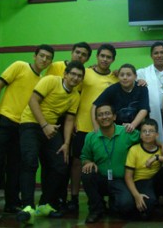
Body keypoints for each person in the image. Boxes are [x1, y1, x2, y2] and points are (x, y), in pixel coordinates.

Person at [0, 44, 54, 223]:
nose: (44, 60)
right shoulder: (19, 66)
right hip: (4, 120)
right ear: (34, 56)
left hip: (23, 126)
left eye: (48, 58)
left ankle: (12, 202)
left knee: (15, 166)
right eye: (42, 56)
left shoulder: (43, 80)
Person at [16, 61, 84, 225]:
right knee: (30, 162)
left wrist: (66, 143)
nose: (75, 78)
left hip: (51, 129)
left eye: (79, 76)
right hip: (31, 124)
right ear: (65, 74)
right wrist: (44, 125)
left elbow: (69, 120)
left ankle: (45, 204)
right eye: (73, 74)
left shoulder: (75, 96)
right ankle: (27, 206)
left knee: (61, 164)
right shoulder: (51, 81)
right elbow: (33, 101)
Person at [69, 44, 118, 212]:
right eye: (102, 56)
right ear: (97, 56)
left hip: (105, 129)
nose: (105, 59)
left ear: (113, 60)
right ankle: (74, 198)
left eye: (109, 57)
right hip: (83, 126)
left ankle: (102, 199)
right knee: (77, 163)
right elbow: (75, 95)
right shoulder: (86, 73)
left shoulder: (115, 78)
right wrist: (73, 117)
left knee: (104, 163)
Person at [44, 41, 92, 213]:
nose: (80, 56)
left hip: (69, 122)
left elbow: (76, 102)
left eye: (84, 54)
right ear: (71, 52)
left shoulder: (84, 75)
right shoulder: (56, 67)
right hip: (47, 121)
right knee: (52, 162)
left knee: (66, 161)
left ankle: (62, 198)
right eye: (77, 52)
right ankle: (49, 200)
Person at [80, 103, 140, 223]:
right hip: (101, 178)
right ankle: (96, 209)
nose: (104, 117)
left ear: (114, 117)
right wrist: (88, 162)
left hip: (120, 180)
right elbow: (85, 157)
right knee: (87, 172)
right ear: (96, 119)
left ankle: (114, 202)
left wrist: (160, 145)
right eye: (100, 115)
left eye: (107, 113)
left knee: (126, 207)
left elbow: (147, 138)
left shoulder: (126, 132)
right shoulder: (91, 136)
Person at [124, 118, 163, 222]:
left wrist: (157, 158)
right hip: (141, 182)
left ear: (157, 135)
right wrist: (136, 196)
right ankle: (154, 201)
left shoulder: (162, 148)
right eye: (144, 131)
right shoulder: (134, 150)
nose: (147, 134)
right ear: (140, 135)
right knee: (147, 209)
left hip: (156, 181)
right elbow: (128, 177)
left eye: (151, 131)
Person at [137, 42, 163, 143]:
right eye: (156, 53)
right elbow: (123, 75)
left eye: (162, 52)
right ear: (151, 56)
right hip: (152, 114)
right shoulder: (143, 73)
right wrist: (138, 81)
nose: (159, 55)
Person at [92, 63, 150, 132]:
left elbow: (144, 109)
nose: (125, 77)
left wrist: (132, 126)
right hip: (118, 131)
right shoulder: (112, 89)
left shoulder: (142, 88)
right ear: (118, 76)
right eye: (122, 75)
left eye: (128, 75)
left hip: (138, 129)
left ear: (135, 76)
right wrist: (96, 126)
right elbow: (95, 106)